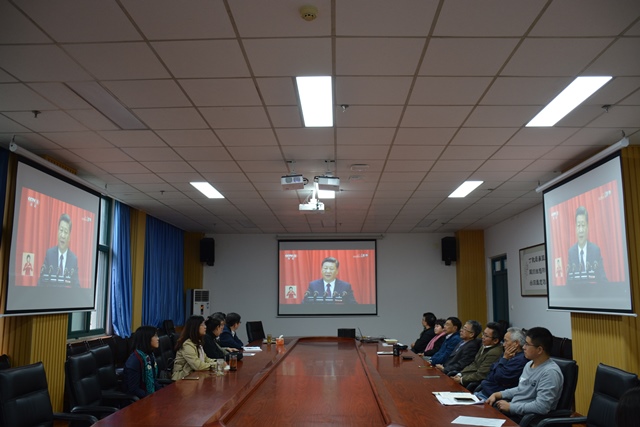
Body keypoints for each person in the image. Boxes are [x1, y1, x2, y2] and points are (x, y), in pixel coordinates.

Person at [486, 327, 564, 423]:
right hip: (515, 412)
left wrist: (511, 407)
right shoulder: (529, 364)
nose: (523, 347)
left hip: (526, 419)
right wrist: (499, 394)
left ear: (539, 349)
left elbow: (541, 407)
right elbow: (522, 388)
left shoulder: (550, 372)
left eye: (527, 344)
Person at [475, 327, 528, 400]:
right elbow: (491, 370)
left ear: (516, 343)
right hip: (484, 391)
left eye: (506, 341)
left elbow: (499, 376)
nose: (503, 345)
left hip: (492, 397)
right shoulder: (507, 354)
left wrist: (504, 359)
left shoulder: (520, 360)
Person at [452, 322, 504, 388]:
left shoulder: (494, 353)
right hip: (470, 377)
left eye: (486, 336)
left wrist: (462, 379)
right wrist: (460, 374)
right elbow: (474, 364)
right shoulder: (484, 345)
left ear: (495, 340)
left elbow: (482, 374)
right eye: (483, 334)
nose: (482, 337)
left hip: (479, 383)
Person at [37, 213, 79, 287]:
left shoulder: (73, 259)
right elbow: (41, 282)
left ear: (69, 236)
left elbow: (76, 287)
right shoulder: (49, 254)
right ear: (57, 231)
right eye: (61, 230)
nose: (62, 235)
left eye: (65, 232)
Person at [567, 206, 607, 283]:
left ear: (587, 227)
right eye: (578, 226)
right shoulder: (571, 252)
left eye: (583, 225)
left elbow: (603, 279)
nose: (581, 230)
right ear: (575, 228)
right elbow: (569, 282)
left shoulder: (595, 251)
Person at [172, 315, 217, 380]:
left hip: (194, 376)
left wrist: (218, 362)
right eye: (202, 325)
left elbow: (205, 359)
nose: (205, 327)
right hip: (182, 378)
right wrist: (215, 365)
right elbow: (197, 365)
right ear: (195, 327)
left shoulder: (197, 342)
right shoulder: (187, 345)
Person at [123, 326, 163, 398]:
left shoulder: (149, 356)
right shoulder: (134, 360)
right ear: (146, 339)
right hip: (138, 400)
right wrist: (152, 397)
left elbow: (153, 381)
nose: (158, 338)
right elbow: (134, 389)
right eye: (155, 336)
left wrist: (163, 392)